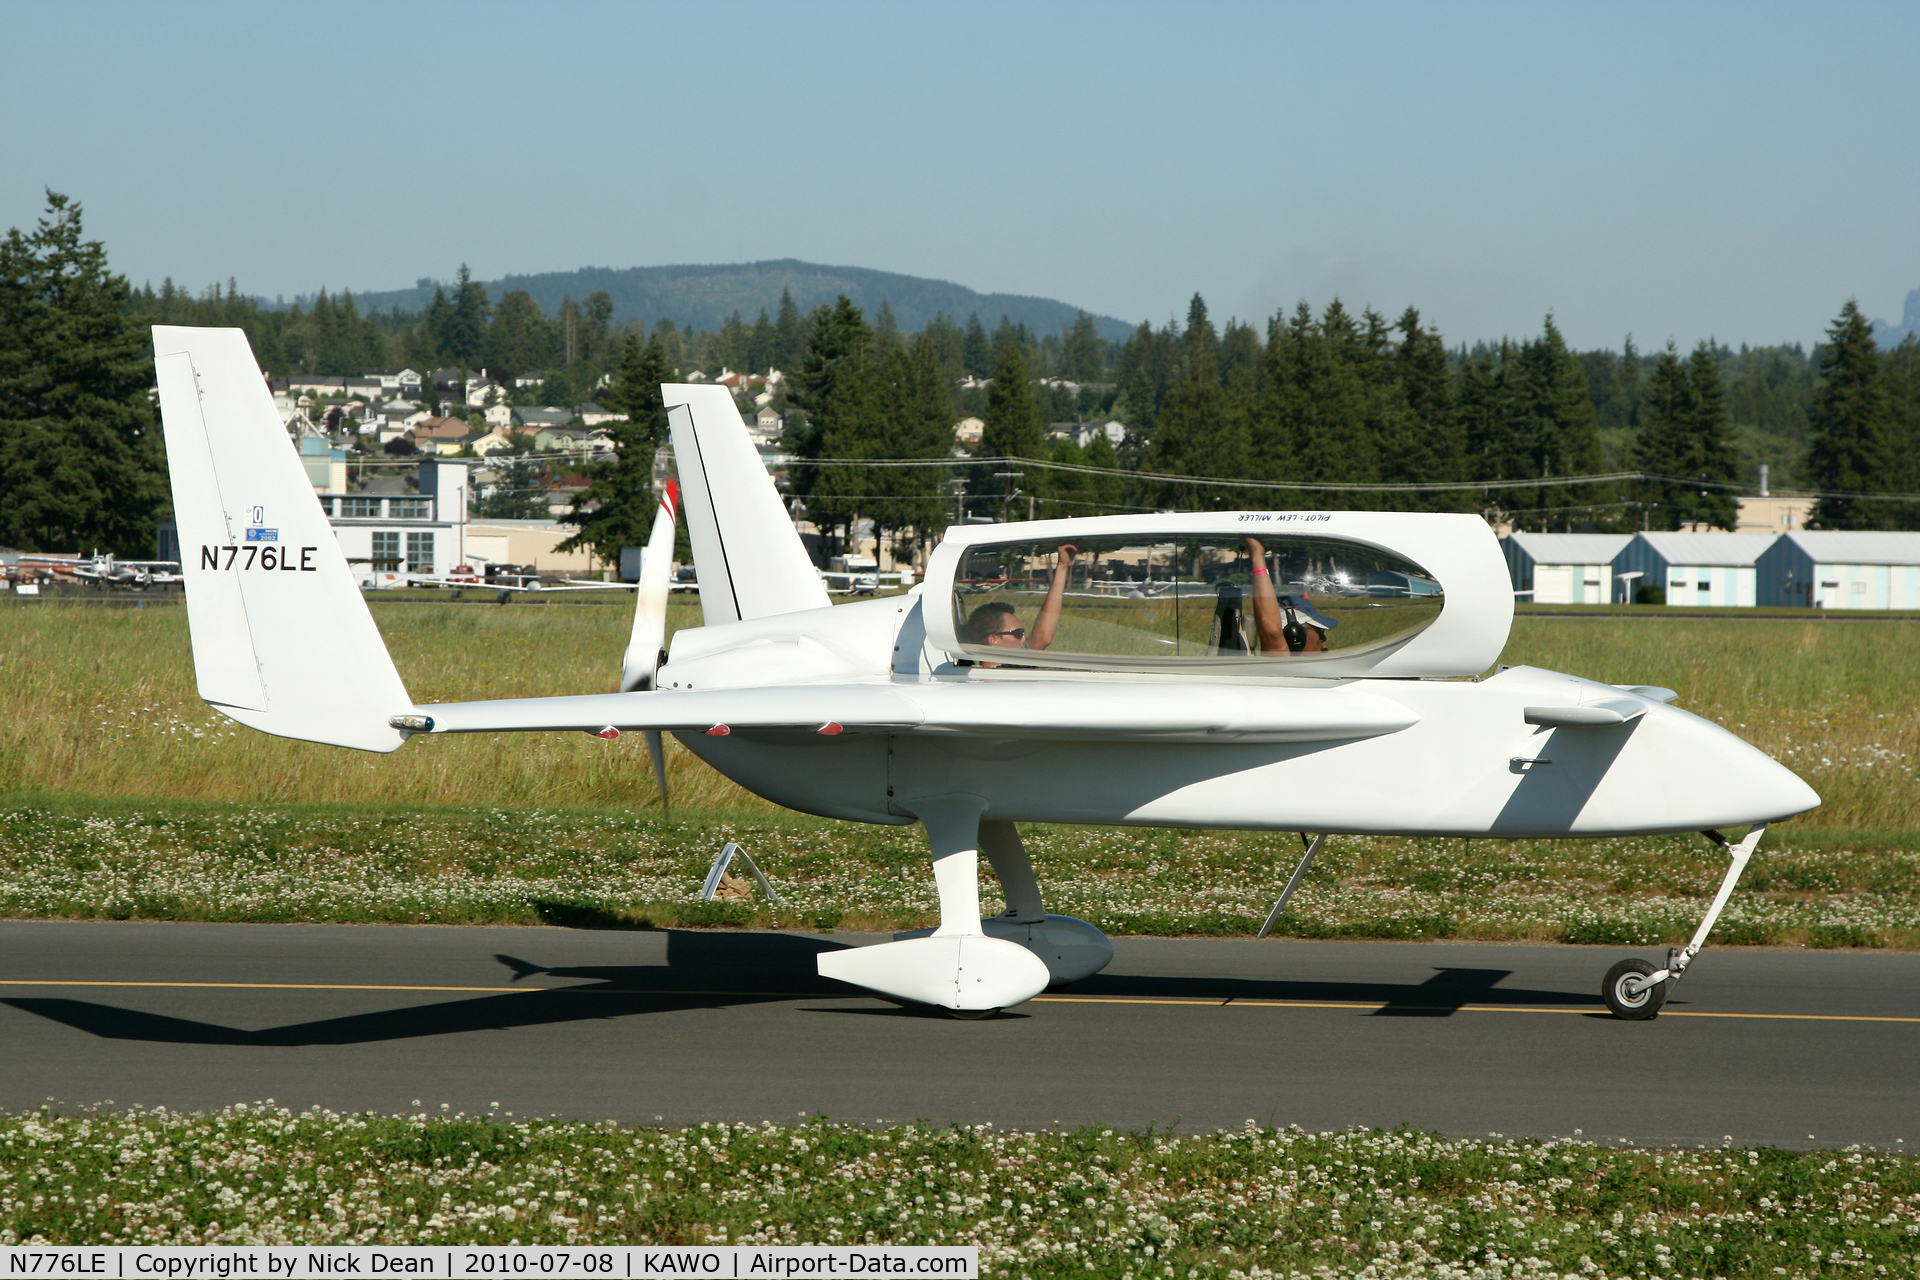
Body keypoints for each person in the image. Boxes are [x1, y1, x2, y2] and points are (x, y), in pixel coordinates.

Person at [965, 541, 1078, 663]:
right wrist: (1062, 566)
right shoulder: (1004, 674)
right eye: (1018, 633)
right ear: (994, 640)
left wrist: (1063, 565)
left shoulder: (1001, 671)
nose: (1025, 638)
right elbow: (1043, 638)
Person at [1241, 536, 1335, 654]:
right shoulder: (1282, 667)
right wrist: (1257, 555)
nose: (1323, 638)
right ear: (1294, 635)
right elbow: (1272, 634)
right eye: (1318, 630)